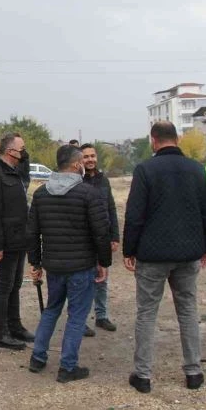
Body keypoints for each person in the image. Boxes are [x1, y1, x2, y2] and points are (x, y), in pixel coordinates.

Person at [123, 122, 206, 393]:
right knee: (187, 310)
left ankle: (143, 375)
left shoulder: (145, 169)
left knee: (147, 312)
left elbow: (135, 214)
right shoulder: (197, 169)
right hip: (188, 252)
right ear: (178, 139)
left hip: (152, 255)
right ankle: (193, 372)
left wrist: (129, 250)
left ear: (153, 140)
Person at [27, 145, 111, 383]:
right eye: (82, 161)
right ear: (76, 165)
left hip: (54, 265)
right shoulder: (88, 194)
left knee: (51, 309)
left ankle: (38, 357)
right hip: (81, 266)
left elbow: (32, 232)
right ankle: (68, 366)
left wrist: (35, 262)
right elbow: (101, 232)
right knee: (76, 316)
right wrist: (104, 261)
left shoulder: (41, 194)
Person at [0, 132, 33, 350]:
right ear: (11, 151)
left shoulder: (15, 172)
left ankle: (15, 326)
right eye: (22, 149)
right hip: (5, 241)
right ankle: (0, 333)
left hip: (19, 239)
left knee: (15, 285)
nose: (24, 153)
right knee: (4, 286)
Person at [80, 143, 120, 336]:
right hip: (83, 239)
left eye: (92, 156)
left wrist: (115, 236)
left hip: (103, 236)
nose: (90, 160)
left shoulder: (103, 180)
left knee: (102, 279)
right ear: (80, 160)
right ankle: (81, 320)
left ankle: (101, 316)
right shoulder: (77, 181)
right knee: (84, 281)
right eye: (86, 156)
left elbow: (111, 208)